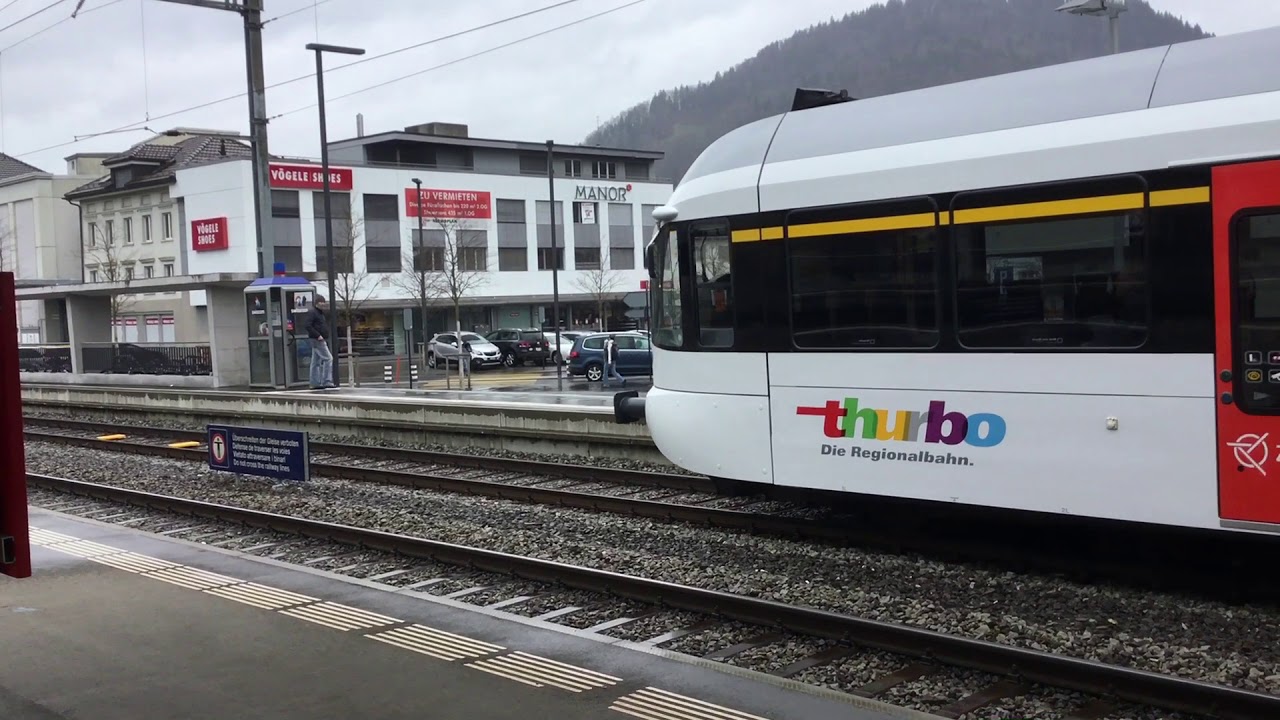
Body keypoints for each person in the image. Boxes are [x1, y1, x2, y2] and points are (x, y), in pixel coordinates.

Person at [305, 296, 335, 389]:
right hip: (317, 339)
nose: (323, 304)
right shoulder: (313, 313)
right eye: (321, 302)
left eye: (324, 302)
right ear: (317, 303)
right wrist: (318, 335)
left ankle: (315, 382)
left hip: (317, 339)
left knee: (315, 362)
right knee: (328, 358)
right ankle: (327, 381)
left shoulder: (319, 313)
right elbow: (307, 325)